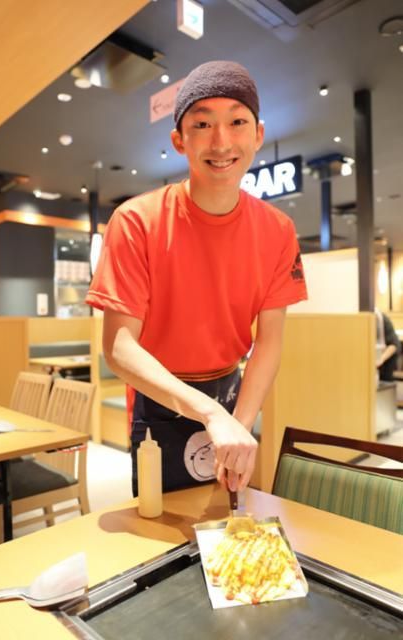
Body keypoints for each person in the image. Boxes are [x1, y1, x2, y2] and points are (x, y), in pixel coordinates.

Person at [86, 61, 308, 496]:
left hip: (232, 393)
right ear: (179, 140)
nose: (221, 142)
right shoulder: (136, 221)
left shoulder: (278, 230)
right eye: (202, 124)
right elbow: (119, 346)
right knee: (161, 524)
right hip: (159, 393)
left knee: (232, 519)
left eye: (237, 122)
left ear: (258, 135)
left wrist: (239, 422)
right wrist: (209, 414)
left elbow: (269, 340)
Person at [375, 308, 401, 381]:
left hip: (387, 358)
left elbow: (394, 345)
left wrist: (381, 359)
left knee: (385, 381)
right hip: (375, 356)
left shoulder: (383, 320)